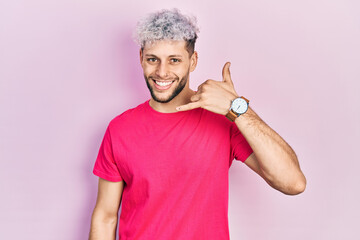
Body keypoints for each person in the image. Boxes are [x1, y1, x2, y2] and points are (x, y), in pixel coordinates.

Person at [89, 8, 306, 240]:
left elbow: (292, 183)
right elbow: (106, 216)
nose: (162, 72)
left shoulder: (225, 120)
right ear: (141, 58)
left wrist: (237, 107)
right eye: (153, 59)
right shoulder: (120, 129)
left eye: (174, 60)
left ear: (193, 61)